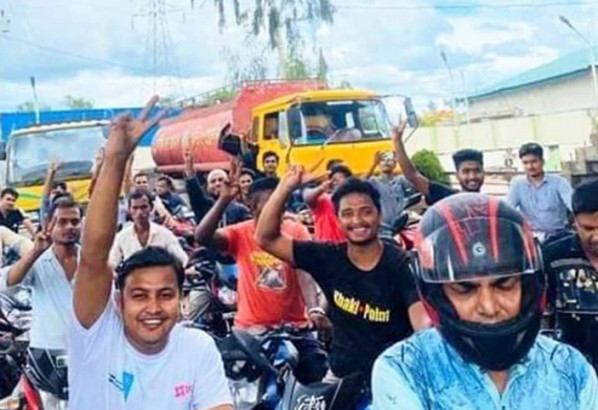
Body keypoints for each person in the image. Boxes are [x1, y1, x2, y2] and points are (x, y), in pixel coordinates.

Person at [70, 97, 232, 410]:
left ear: (182, 301)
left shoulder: (198, 348)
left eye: (165, 295)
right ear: (119, 302)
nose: (153, 308)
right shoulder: (97, 335)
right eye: (140, 296)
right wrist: (115, 160)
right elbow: (93, 257)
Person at [371, 193, 598, 409]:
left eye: (504, 284)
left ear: (528, 286)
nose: (488, 307)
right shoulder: (404, 369)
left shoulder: (571, 369)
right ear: (436, 295)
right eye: (464, 289)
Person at [255, 169, 430, 385]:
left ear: (379, 215)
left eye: (366, 212)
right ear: (337, 220)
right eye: (347, 213)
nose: (357, 220)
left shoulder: (401, 264)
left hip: (394, 377)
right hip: (340, 377)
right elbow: (266, 238)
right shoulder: (328, 257)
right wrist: (286, 187)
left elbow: (422, 322)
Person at [195, 167, 329, 384]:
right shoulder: (240, 232)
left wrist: (314, 309)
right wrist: (223, 201)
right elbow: (202, 236)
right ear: (251, 206)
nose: (274, 211)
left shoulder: (296, 231)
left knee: (317, 379)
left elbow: (304, 273)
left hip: (295, 329)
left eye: (279, 203)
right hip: (251, 331)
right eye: (268, 205)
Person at [0, 196, 81, 351]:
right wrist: (35, 251)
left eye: (74, 221)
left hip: (85, 348)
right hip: (45, 350)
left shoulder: (91, 262)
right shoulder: (37, 260)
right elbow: (9, 282)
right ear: (49, 225)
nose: (70, 226)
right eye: (62, 222)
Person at [542, 179, 598, 370]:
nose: (596, 237)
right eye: (588, 228)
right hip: (571, 366)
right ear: (574, 221)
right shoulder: (553, 256)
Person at [392, 120, 484, 206]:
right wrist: (397, 141)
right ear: (457, 175)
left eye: (477, 171)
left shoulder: (491, 204)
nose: (472, 176)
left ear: (483, 173)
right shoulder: (447, 197)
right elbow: (413, 176)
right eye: (466, 172)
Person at [507, 142, 573, 240]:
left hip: (558, 236)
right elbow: (508, 209)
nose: (530, 166)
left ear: (542, 161)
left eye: (534, 162)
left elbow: (573, 205)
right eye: (525, 163)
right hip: (530, 237)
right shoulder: (517, 185)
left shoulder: (559, 182)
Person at [109, 188, 189, 268]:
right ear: (129, 210)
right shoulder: (122, 237)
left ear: (151, 208)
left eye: (144, 207)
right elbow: (111, 264)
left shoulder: (165, 234)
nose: (139, 212)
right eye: (135, 208)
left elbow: (182, 260)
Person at [365, 151, 415, 237]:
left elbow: (413, 178)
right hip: (382, 230)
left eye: (390, 160)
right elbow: (358, 184)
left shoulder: (400, 180)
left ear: (395, 163)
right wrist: (373, 165)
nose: (386, 162)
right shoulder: (374, 181)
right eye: (383, 160)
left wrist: (401, 160)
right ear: (378, 163)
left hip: (400, 227)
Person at [302, 164, 352, 242]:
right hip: (324, 247)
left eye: (339, 178)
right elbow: (307, 197)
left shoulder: (353, 202)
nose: (335, 182)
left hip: (347, 246)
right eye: (333, 179)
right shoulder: (323, 199)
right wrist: (322, 188)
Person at [39, 159, 70, 226]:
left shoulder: (74, 211)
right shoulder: (48, 219)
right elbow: (45, 197)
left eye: (61, 193)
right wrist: (52, 172)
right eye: (55, 192)